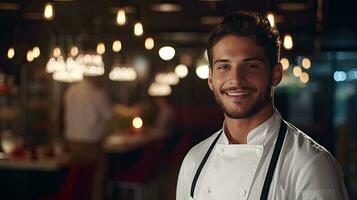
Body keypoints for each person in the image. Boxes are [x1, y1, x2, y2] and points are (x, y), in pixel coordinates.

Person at [176, 11, 349, 200]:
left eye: (250, 66)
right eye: (224, 66)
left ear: (275, 74)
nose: (236, 80)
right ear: (210, 78)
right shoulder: (194, 160)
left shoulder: (311, 165)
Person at [64, 76, 112, 200]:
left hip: (72, 145)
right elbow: (109, 116)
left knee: (76, 178)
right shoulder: (98, 93)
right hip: (91, 146)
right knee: (101, 170)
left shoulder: (70, 91)